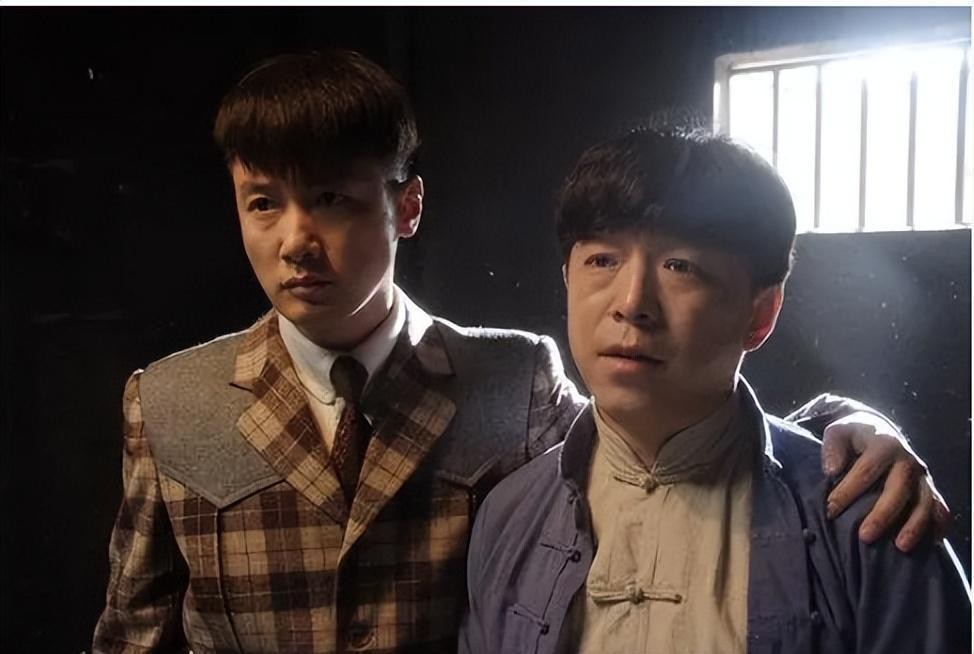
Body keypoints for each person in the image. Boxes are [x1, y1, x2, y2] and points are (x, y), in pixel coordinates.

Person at [93, 50, 949, 653]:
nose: (295, 241)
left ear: (406, 207)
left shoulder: (514, 378)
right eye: (262, 204)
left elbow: (664, 440)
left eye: (332, 199)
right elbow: (133, 634)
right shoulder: (169, 402)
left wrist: (855, 425)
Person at [459, 126, 971, 654]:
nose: (631, 303)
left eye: (680, 266)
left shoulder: (870, 520)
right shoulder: (508, 516)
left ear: (761, 313)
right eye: (603, 260)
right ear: (568, 280)